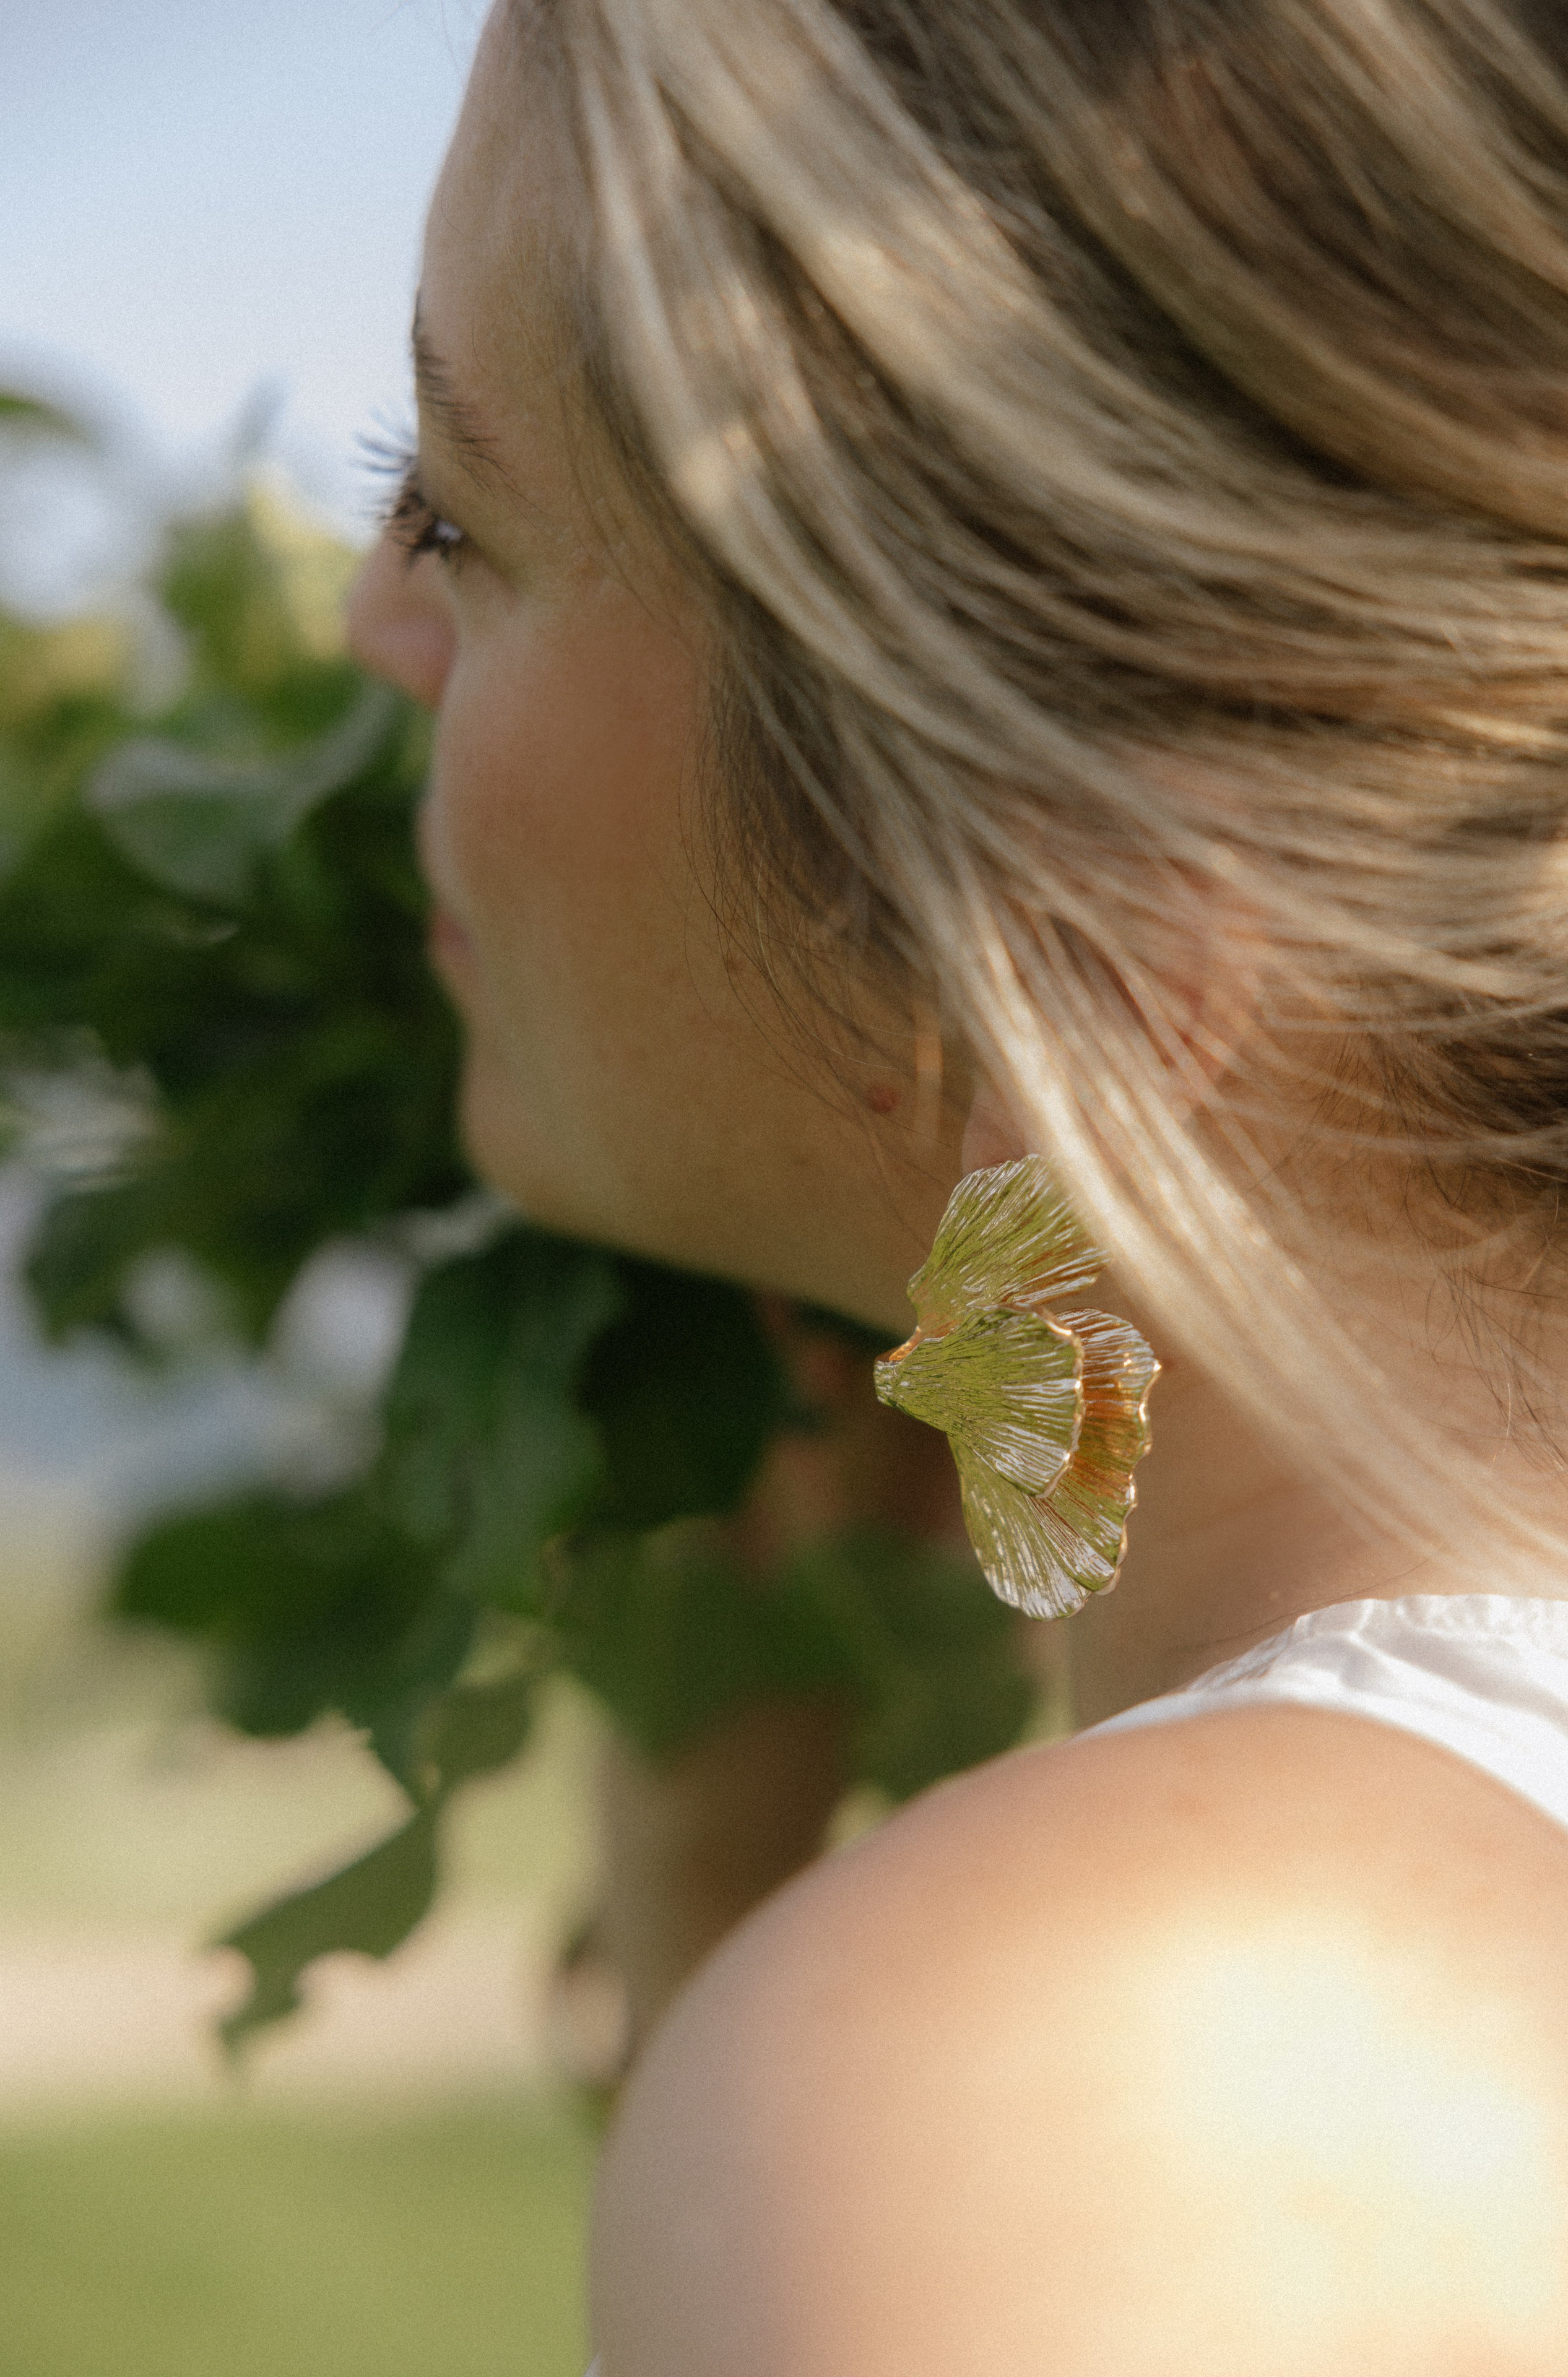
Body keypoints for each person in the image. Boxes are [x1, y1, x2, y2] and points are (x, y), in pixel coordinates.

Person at [347, 0, 1568, 2365]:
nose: (370, 630)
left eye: (454, 512)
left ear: (1047, 890)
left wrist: (857, 2048)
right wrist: (723, 1892)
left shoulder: (1096, 2074)